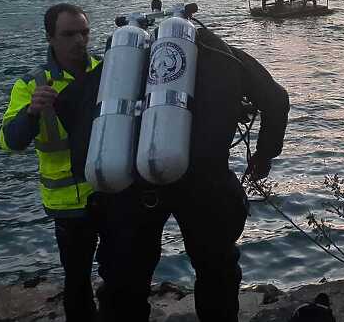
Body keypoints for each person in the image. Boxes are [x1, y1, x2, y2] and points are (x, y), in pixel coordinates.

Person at [68, 24, 289, 322]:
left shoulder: (124, 59)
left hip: (133, 183)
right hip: (205, 183)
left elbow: (70, 104)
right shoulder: (224, 56)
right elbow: (276, 99)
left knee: (125, 283)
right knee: (216, 273)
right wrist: (262, 155)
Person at [0, 3, 103, 322]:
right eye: (69, 34)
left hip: (111, 190)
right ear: (50, 37)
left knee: (121, 270)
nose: (79, 41)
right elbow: (10, 142)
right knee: (77, 279)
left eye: (84, 32)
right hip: (67, 202)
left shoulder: (110, 69)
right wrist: (31, 113)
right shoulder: (32, 85)